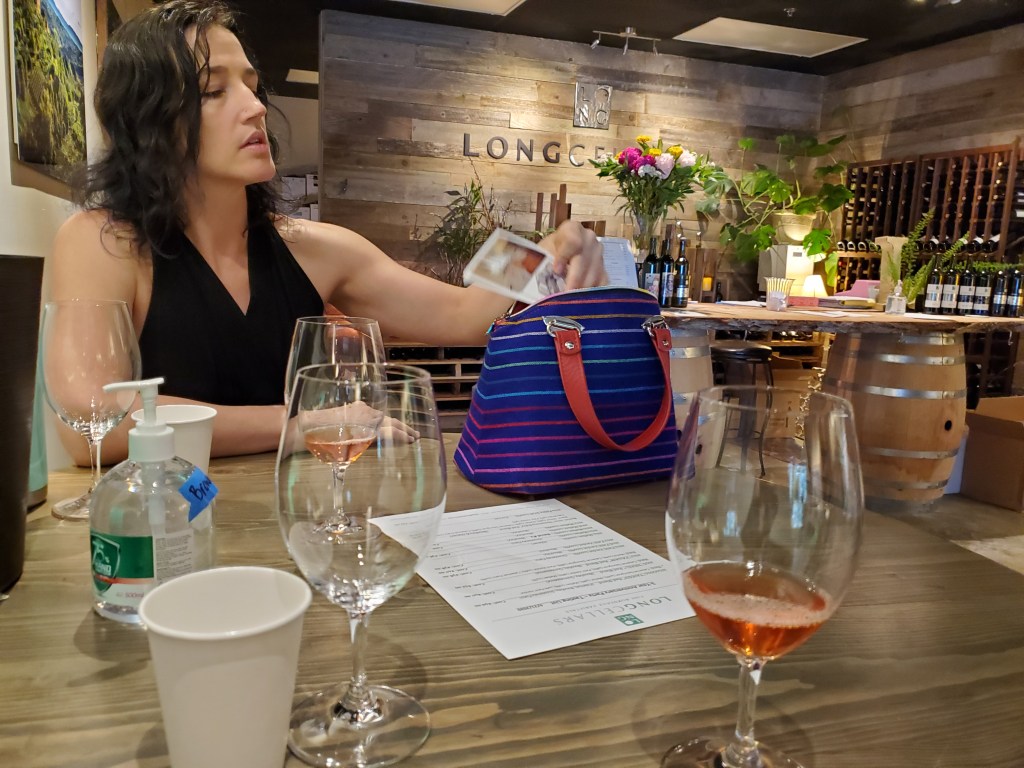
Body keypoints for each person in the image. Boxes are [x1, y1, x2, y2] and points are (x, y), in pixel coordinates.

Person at [47, 0, 607, 467]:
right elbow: (94, 425)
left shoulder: (315, 247)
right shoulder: (103, 241)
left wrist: (546, 249)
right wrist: (303, 424)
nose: (255, 108)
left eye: (252, 85)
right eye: (213, 91)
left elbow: (468, 316)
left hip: (301, 516)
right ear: (147, 121)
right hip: (157, 534)